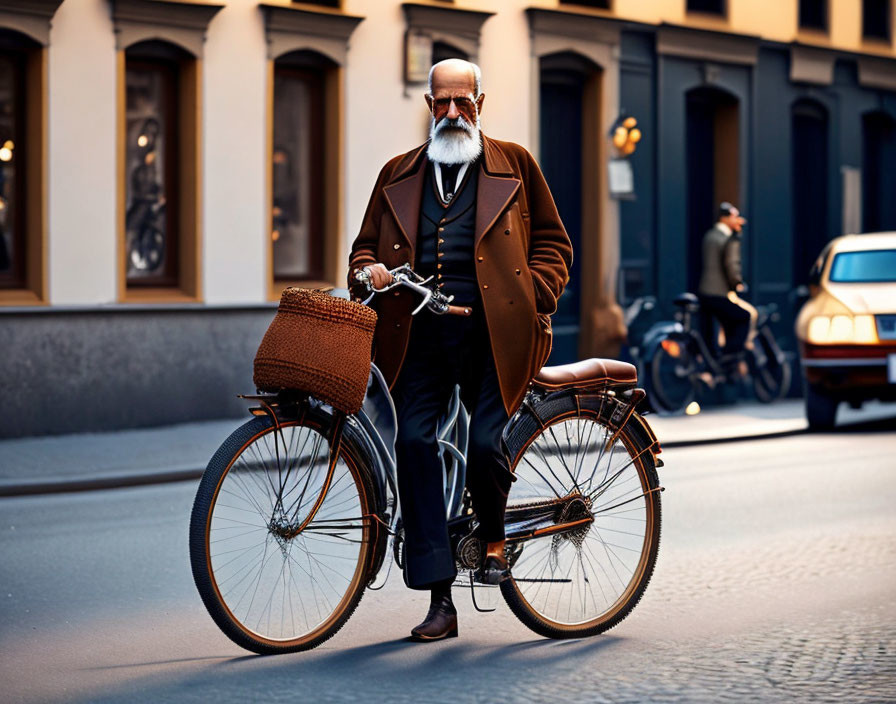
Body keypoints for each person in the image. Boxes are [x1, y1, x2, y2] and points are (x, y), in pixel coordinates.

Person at [348, 59, 572, 642]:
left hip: (496, 336)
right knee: (415, 443)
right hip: (417, 337)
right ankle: (440, 600)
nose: (451, 114)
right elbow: (363, 247)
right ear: (427, 105)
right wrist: (367, 270)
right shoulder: (397, 172)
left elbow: (554, 242)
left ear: (480, 103)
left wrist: (534, 293)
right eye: (440, 103)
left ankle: (495, 540)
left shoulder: (516, 164)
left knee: (481, 441)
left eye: (462, 103)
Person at [697, 201, 757, 376]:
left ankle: (714, 364)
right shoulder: (728, 239)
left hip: (705, 291)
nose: (738, 221)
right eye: (734, 217)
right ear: (725, 218)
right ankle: (729, 358)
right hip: (719, 292)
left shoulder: (710, 236)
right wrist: (737, 283)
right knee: (743, 317)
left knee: (710, 332)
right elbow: (732, 264)